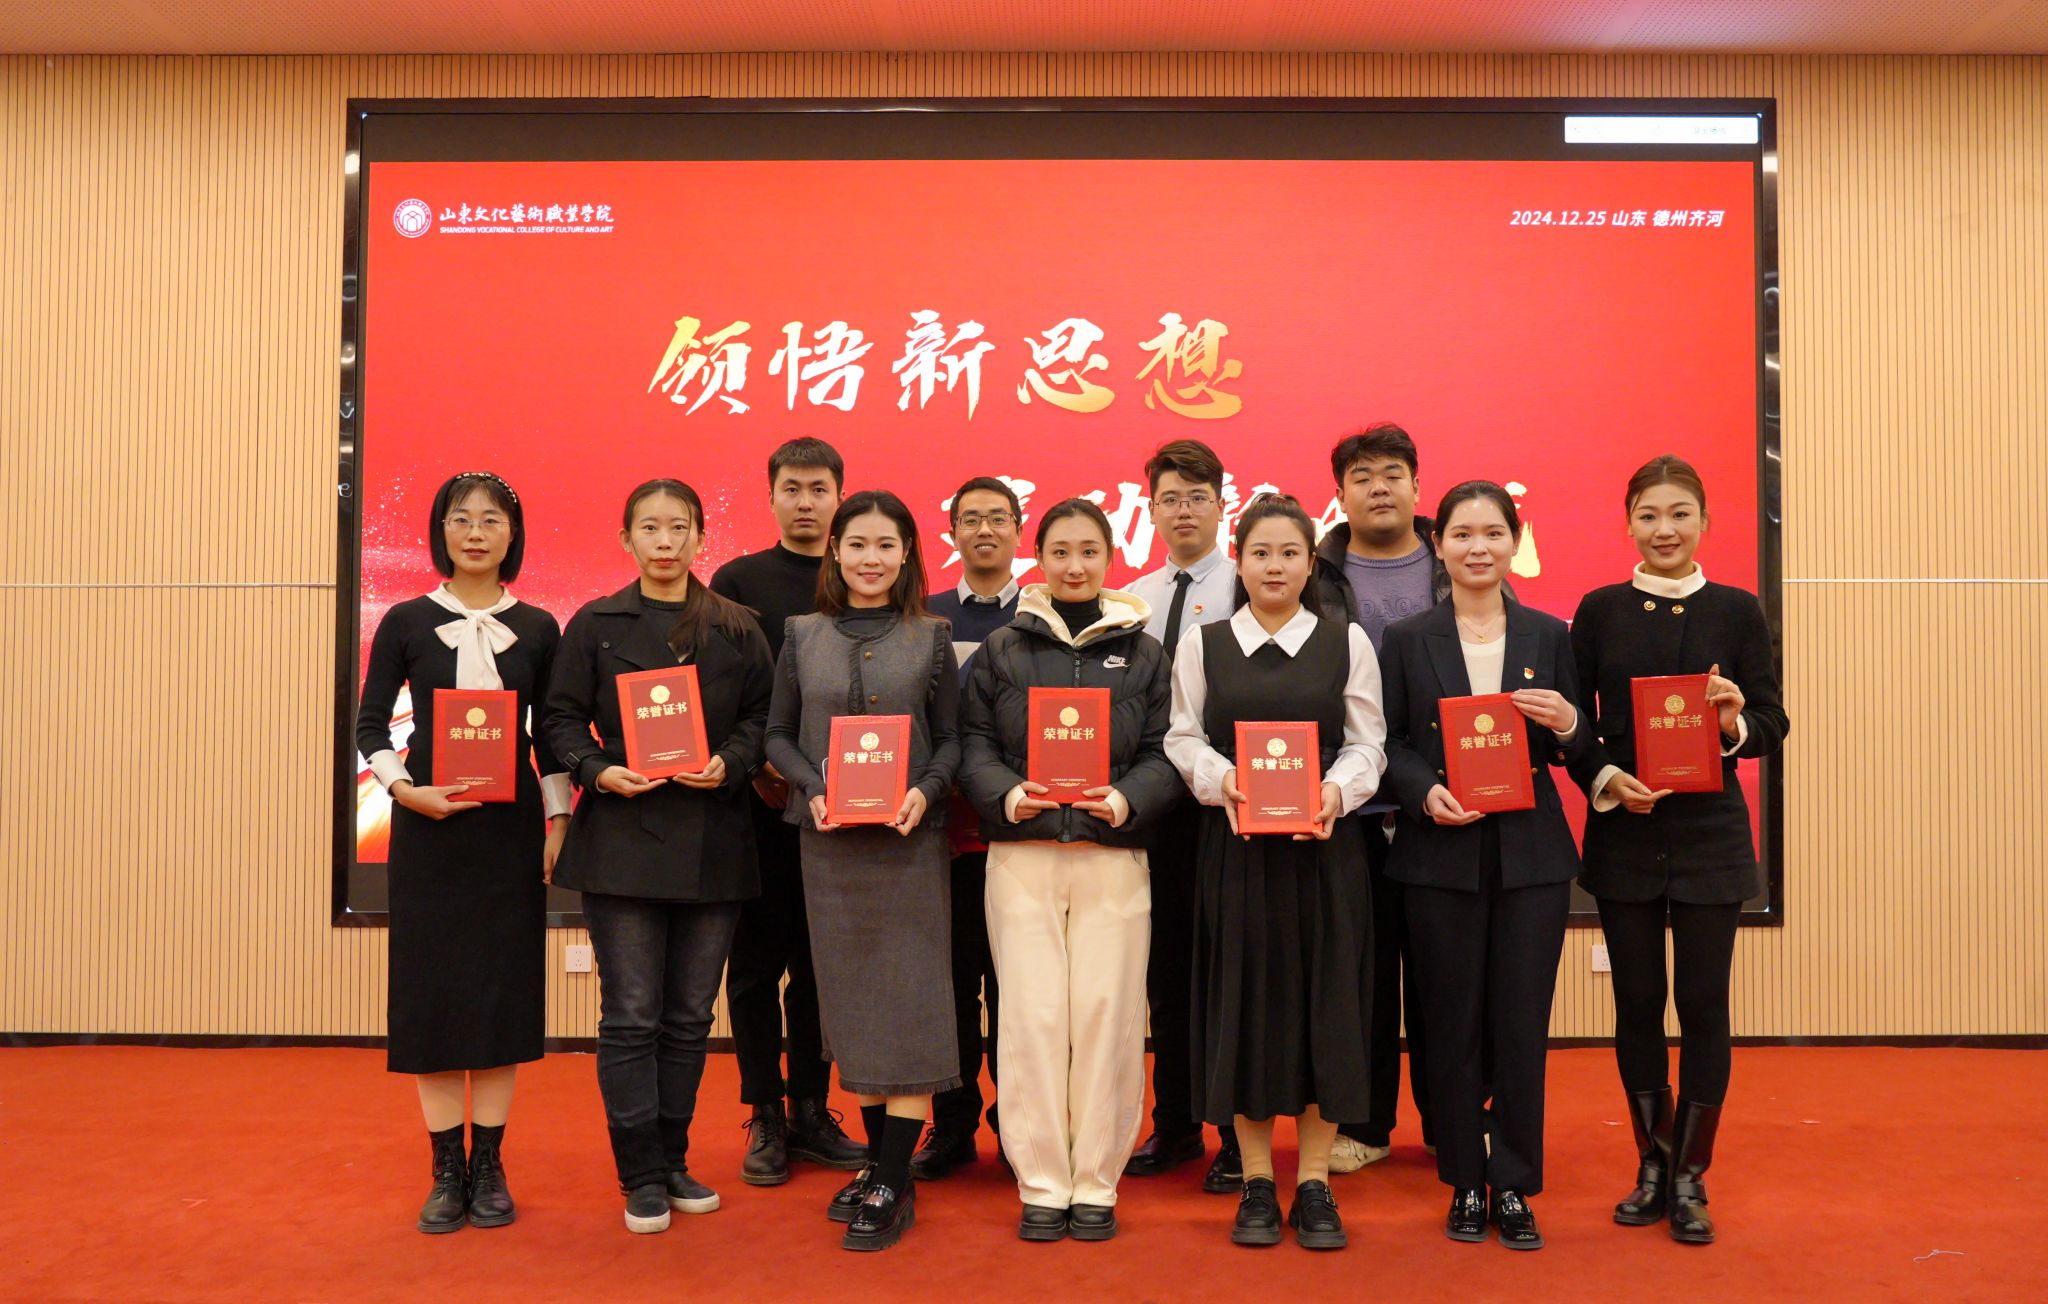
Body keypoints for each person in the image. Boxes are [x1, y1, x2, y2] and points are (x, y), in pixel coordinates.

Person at [541, 479, 775, 1234]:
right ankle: (640, 1173)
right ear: (627, 539)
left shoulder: (736, 625)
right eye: (650, 527)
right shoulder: (595, 623)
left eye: (679, 528)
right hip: (622, 840)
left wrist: (732, 762)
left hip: (715, 839)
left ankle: (673, 1160)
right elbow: (558, 719)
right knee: (632, 1015)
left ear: (700, 538)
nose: (665, 541)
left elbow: (763, 717)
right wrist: (596, 769)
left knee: (689, 1017)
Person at [1569, 454, 1788, 1245]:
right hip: (1625, 831)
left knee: (1702, 1004)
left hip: (1710, 837)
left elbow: (1772, 721)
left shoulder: (1737, 609)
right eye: (1649, 515)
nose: (1665, 529)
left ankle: (1691, 1176)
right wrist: (1605, 777)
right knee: (1636, 1003)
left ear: (1704, 522)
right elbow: (1574, 725)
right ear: (1628, 523)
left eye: (1679, 514)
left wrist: (1733, 723)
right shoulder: (1599, 610)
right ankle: (1652, 1165)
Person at [1164, 494, 1388, 1250]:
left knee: (1328, 1008)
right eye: (1260, 552)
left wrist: (1336, 792)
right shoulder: (1204, 644)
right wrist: (1222, 778)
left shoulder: (1345, 641)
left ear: (1310, 563)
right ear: (1240, 560)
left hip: (1325, 851)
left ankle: (1315, 1183)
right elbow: (1182, 738)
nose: (1275, 566)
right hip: (1237, 852)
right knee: (1246, 1007)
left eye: (1290, 553)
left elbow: (1368, 743)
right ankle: (1258, 1181)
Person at [1376, 480, 1594, 1251]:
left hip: (1531, 859)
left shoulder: (1548, 633)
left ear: (1514, 541)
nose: (1478, 547)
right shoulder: (1407, 639)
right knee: (1450, 1024)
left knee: (1520, 1026)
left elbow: (1578, 745)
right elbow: (1389, 741)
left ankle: (1515, 1185)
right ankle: (1466, 1180)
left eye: (1493, 533)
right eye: (1462, 534)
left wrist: (1568, 721)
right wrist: (1422, 791)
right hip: (1440, 855)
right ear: (1438, 545)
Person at [355, 471, 570, 1233]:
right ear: (440, 530)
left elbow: (553, 736)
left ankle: (491, 1165)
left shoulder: (539, 627)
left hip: (508, 835)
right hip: (430, 831)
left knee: (499, 993)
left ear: (513, 534)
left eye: (491, 520)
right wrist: (404, 791)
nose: (476, 532)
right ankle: (446, 1168)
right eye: (461, 519)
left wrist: (559, 819)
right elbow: (371, 726)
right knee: (436, 996)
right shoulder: (407, 620)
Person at [959, 498, 1179, 1242]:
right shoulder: (1002, 649)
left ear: (1110, 558)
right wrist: (1008, 795)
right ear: (1040, 558)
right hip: (1022, 856)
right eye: (1060, 551)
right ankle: (1043, 1182)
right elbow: (974, 743)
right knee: (1032, 1019)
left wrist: (1125, 799)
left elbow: (1165, 749)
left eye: (1088, 551)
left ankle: (1096, 1181)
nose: (1075, 565)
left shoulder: (1146, 653)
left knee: (1107, 1017)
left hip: (1112, 855)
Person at [1311, 421, 1519, 1171]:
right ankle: (1365, 1126)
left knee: (1449, 978)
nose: (1379, 488)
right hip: (1346, 809)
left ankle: (1451, 1124)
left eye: (1392, 474)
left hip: (1446, 807)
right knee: (1360, 976)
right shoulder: (1314, 574)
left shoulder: (1459, 560)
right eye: (1361, 477)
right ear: (1339, 494)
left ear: (1417, 485)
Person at [764, 490, 963, 1252]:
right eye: (857, 544)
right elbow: (778, 737)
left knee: (908, 1004)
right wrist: (810, 788)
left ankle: (890, 1177)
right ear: (835, 552)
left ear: (907, 553)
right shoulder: (801, 634)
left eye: (886, 545)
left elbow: (950, 740)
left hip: (909, 845)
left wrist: (926, 790)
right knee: (853, 1008)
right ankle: (885, 1170)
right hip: (830, 846)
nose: (871, 558)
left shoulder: (932, 636)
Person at [710, 439, 867, 1183]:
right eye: (792, 488)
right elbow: (719, 689)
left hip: (838, 807)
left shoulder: (858, 576)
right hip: (757, 805)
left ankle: (811, 1107)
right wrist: (757, 767)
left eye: (819, 489)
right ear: (771, 496)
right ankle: (765, 1113)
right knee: (753, 968)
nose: (806, 502)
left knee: (818, 968)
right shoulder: (738, 581)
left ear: (840, 495)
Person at [1122, 439, 1243, 1192]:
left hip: (1228, 806)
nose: (1184, 511)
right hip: (1152, 809)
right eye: (1170, 498)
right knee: (1163, 972)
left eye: (1198, 497)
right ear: (1153, 509)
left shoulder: (1248, 585)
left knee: (1226, 971)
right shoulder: (1132, 599)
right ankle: (1174, 1125)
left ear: (1222, 506)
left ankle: (1234, 1134)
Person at [915, 477, 1024, 1180]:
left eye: (998, 518)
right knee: (950, 989)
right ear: (952, 532)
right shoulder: (924, 618)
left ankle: (1019, 1128)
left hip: (1019, 837)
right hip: (941, 841)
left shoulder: (1044, 614)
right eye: (971, 519)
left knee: (1018, 993)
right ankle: (951, 1127)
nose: (985, 530)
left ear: (1018, 530)